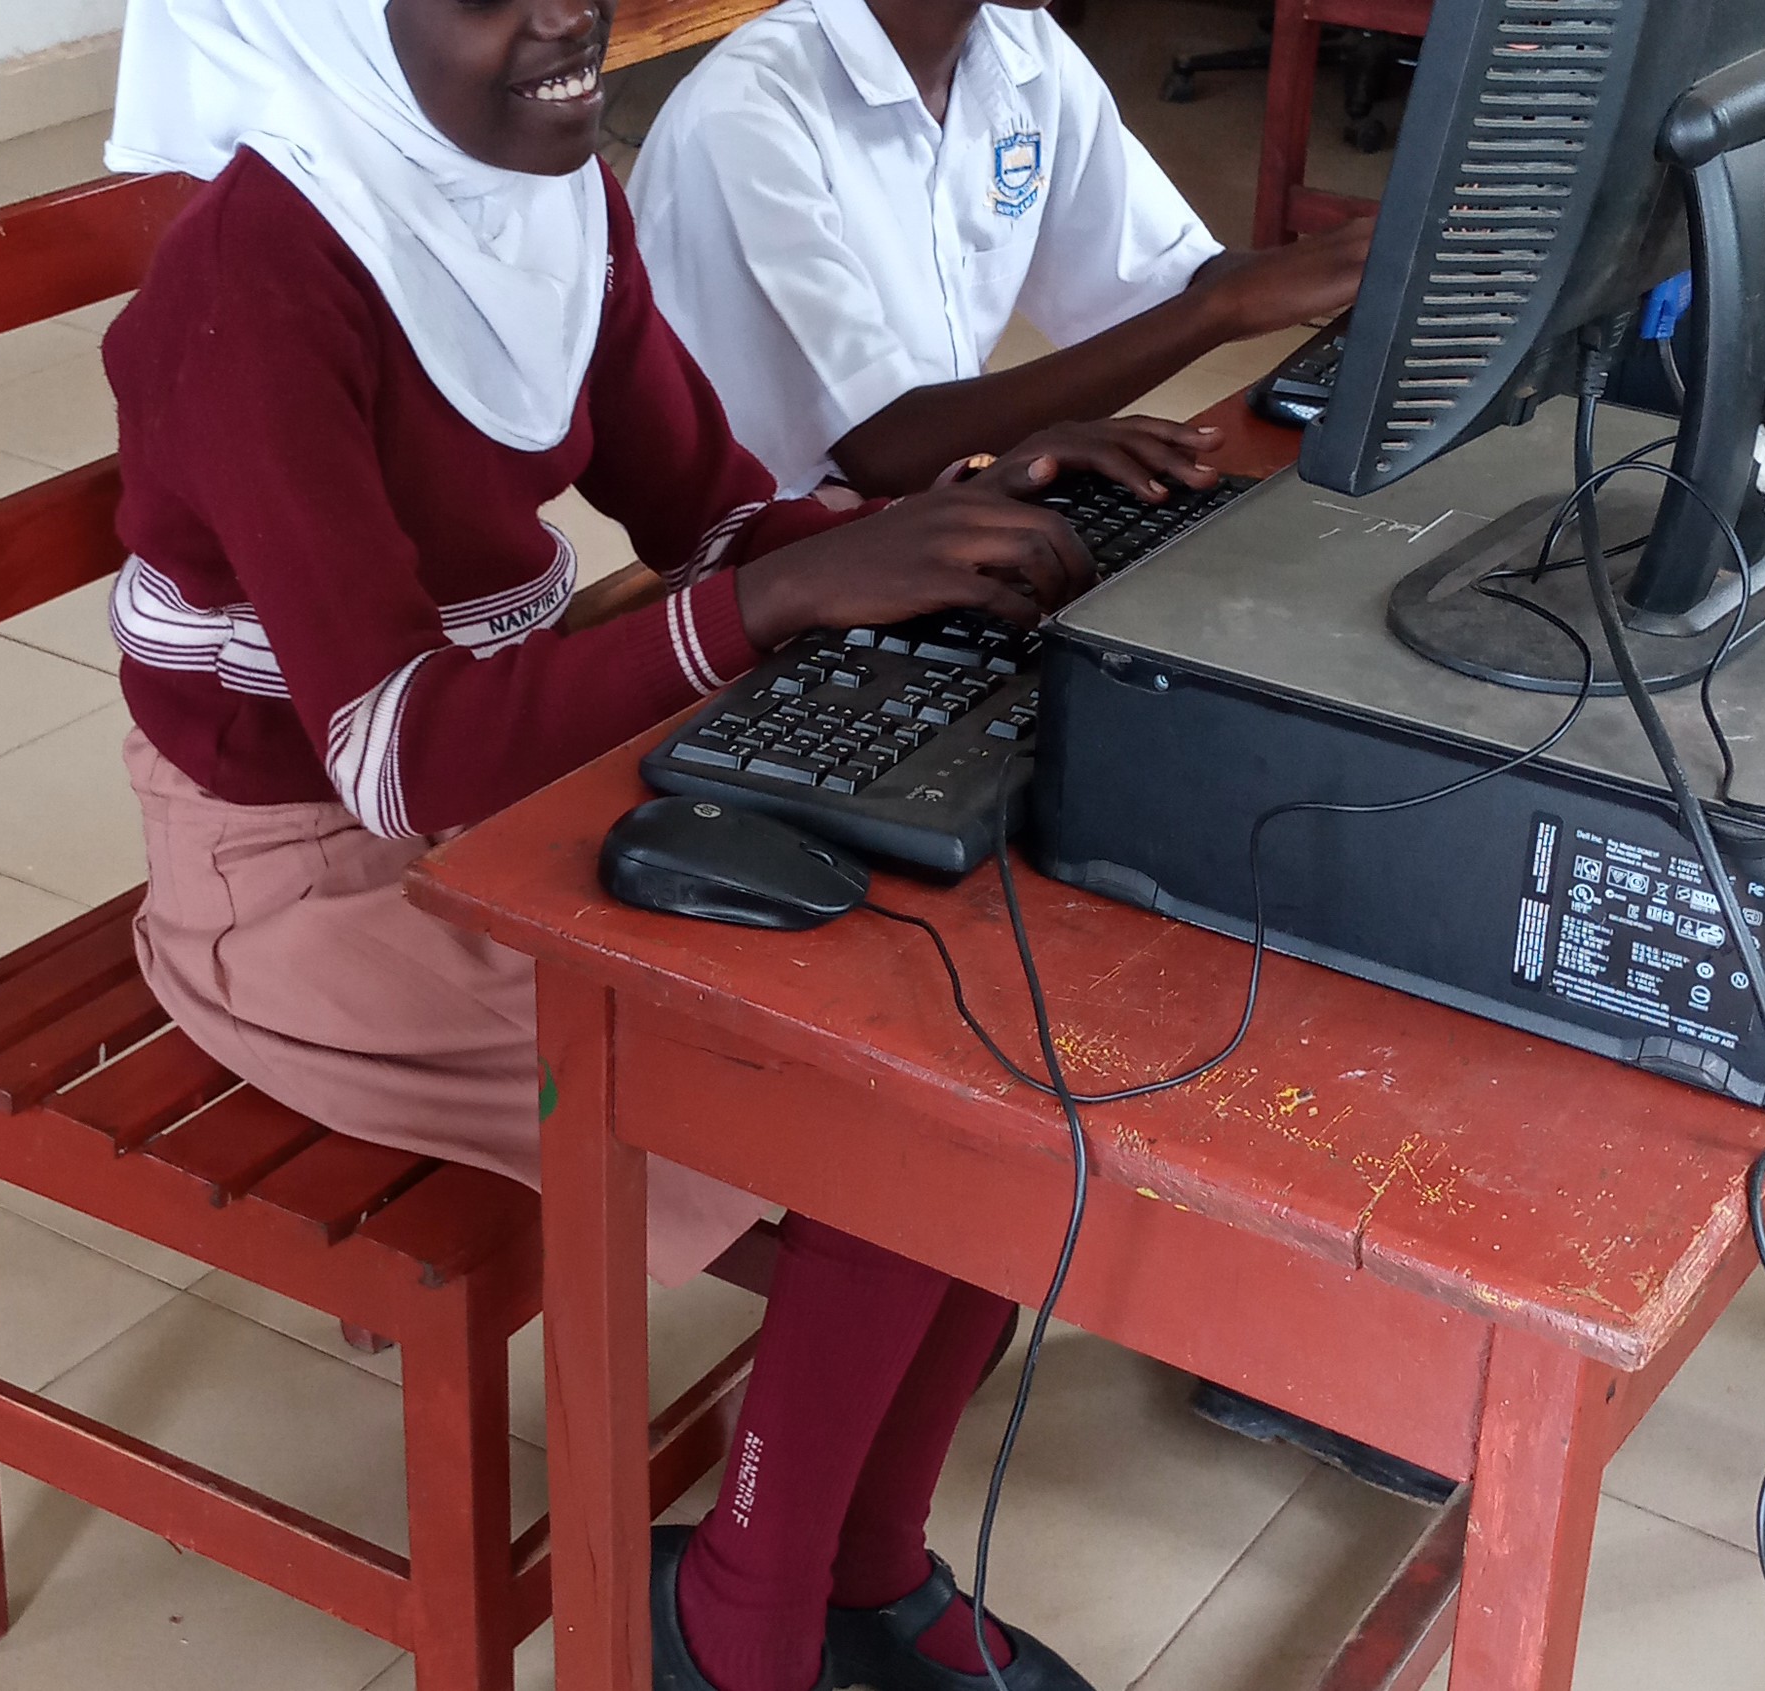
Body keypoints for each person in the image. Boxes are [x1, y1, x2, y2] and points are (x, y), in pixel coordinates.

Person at [99, 3, 1147, 1688]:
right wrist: (768, 603)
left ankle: (856, 1574)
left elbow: (713, 511)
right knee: (885, 1112)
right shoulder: (254, 283)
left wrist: (959, 513)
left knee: (974, 1049)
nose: (565, 12)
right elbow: (393, 754)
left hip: (495, 802)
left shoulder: (548, 192)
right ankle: (735, 1629)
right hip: (293, 880)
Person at [627, 0, 1374, 501]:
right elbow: (884, 448)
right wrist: (1220, 308)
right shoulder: (750, 115)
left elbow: (1171, 283)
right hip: (777, 566)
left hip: (927, 510)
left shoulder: (1018, 47)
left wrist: (1371, 254)